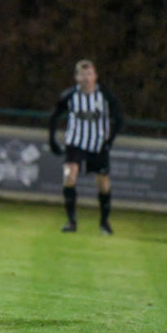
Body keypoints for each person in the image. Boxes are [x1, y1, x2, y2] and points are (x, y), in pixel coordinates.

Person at [48, 59, 123, 235]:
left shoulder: (105, 96)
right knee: (69, 175)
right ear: (76, 77)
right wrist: (52, 140)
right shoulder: (69, 96)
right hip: (75, 142)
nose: (86, 78)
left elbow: (119, 119)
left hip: (98, 144)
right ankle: (71, 221)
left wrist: (109, 141)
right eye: (82, 74)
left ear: (95, 76)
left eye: (89, 74)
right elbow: (54, 117)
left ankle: (104, 223)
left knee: (103, 183)